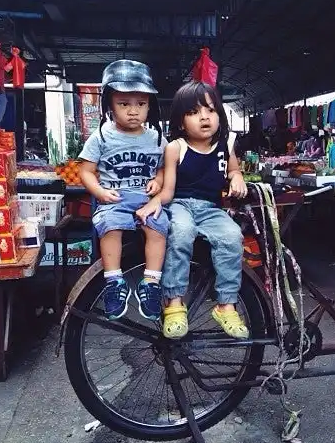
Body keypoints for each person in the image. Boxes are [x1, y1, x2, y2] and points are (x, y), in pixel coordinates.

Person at [157, 81, 250, 339]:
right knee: (182, 231)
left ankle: (226, 304)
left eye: (211, 110)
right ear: (180, 121)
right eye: (194, 112)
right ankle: (174, 302)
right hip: (180, 204)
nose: (204, 117)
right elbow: (167, 186)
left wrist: (237, 177)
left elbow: (233, 169)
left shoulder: (226, 144)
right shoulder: (176, 147)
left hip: (211, 209)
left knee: (232, 237)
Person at [78, 60, 168, 322]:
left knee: (158, 227)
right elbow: (86, 171)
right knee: (109, 225)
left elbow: (163, 168)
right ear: (109, 105)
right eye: (124, 104)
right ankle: (114, 281)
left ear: (150, 106)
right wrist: (99, 193)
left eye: (141, 104)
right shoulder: (101, 138)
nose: (133, 111)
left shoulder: (157, 139)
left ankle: (150, 283)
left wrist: (159, 183)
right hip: (114, 199)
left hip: (145, 199)